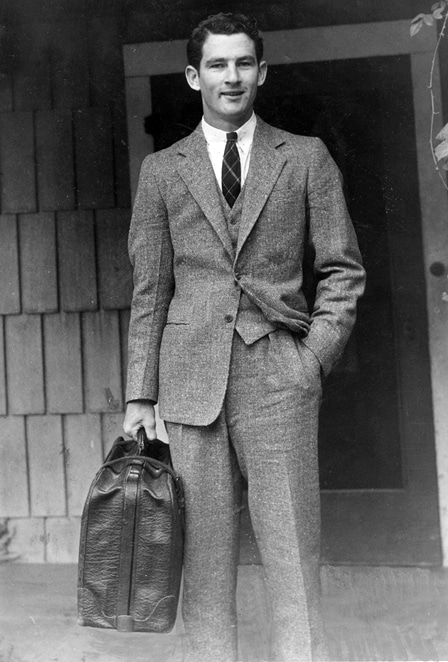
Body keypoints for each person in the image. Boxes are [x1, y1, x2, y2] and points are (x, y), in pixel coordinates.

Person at [123, 12, 366, 662]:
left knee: (292, 551)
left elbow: (342, 269)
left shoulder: (305, 158)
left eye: (242, 64)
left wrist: (312, 358)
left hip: (278, 381)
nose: (231, 77)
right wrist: (138, 397)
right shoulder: (161, 172)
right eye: (218, 65)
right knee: (201, 563)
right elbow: (150, 291)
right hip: (190, 388)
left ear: (261, 72)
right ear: (193, 75)